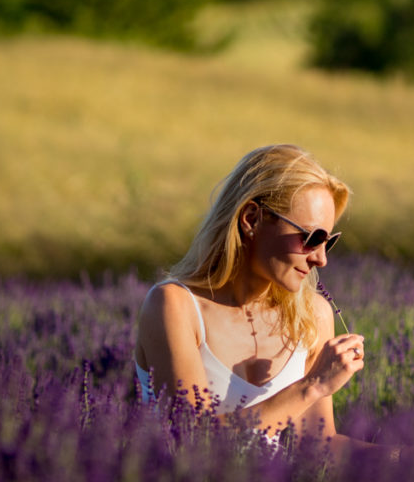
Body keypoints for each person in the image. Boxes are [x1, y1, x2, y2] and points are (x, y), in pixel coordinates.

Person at [134, 144, 397, 462]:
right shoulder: (174, 306)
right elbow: (192, 441)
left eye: (328, 242)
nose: (321, 258)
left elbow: (317, 445)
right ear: (251, 218)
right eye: (311, 238)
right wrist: (311, 386)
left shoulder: (314, 316)